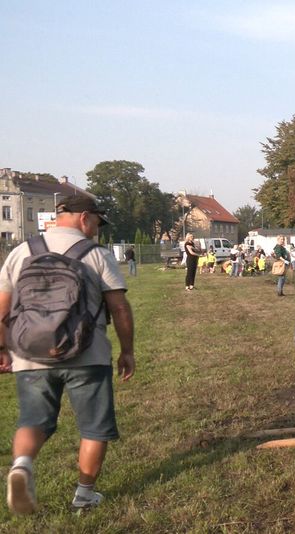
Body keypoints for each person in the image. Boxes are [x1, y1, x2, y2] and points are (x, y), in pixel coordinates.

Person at [0, 194, 136, 514]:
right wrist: (127, 350)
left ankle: (22, 465)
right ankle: (85, 494)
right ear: (84, 217)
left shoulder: (21, 252)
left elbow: (2, 308)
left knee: (34, 419)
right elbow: (119, 307)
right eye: (97, 223)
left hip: (30, 355)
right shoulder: (97, 255)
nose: (97, 230)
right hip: (87, 354)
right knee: (93, 427)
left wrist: (3, 348)